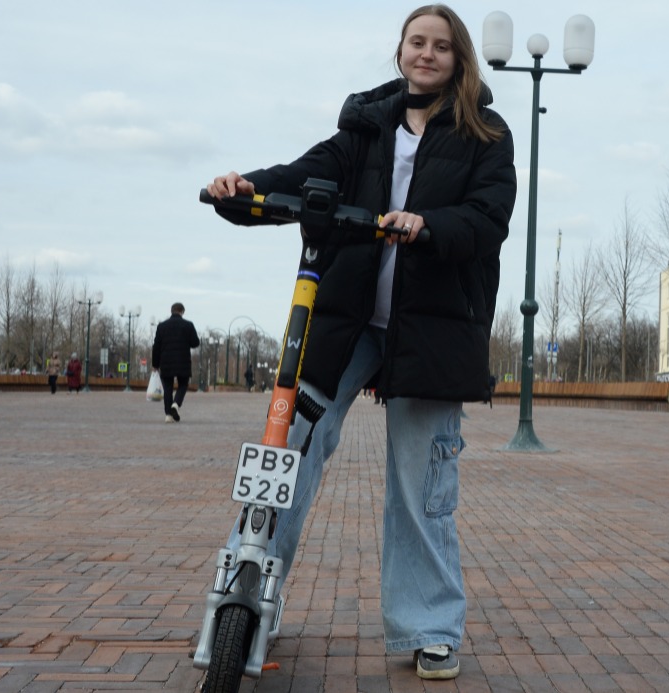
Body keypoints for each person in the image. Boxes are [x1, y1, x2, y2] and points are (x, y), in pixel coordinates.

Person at [205, 5, 514, 679]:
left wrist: (426, 223)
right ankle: (250, 595)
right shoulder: (365, 125)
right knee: (288, 452)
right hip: (344, 322)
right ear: (400, 50)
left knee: (421, 482)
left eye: (439, 46)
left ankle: (429, 625)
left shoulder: (485, 136)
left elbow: (487, 219)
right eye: (415, 42)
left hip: (431, 329)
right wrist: (244, 189)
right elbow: (304, 173)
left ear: (459, 59)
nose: (425, 54)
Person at [152, 302, 200, 423]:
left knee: (167, 388)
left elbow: (156, 346)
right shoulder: (188, 325)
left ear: (171, 311)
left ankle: (168, 415)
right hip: (183, 361)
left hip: (166, 361)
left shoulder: (162, 326)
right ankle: (176, 404)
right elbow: (195, 343)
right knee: (183, 385)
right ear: (182, 312)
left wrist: (155, 364)